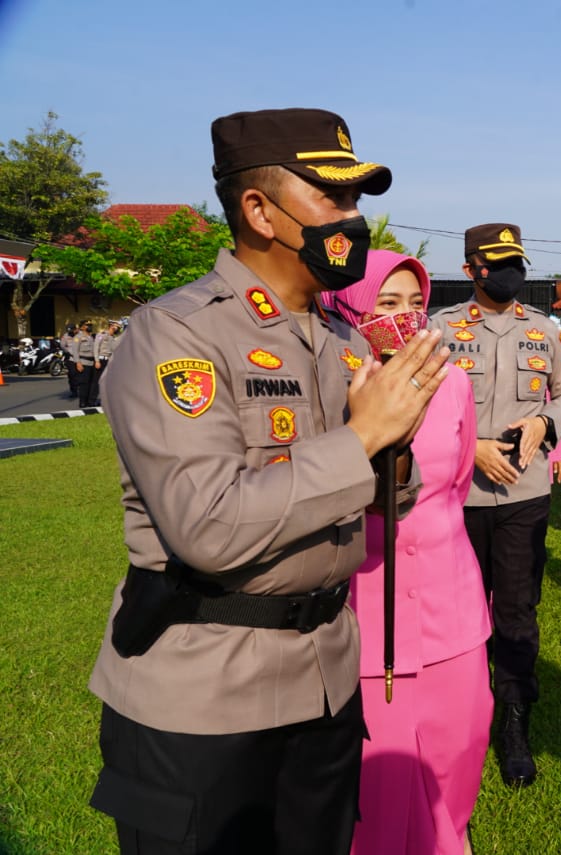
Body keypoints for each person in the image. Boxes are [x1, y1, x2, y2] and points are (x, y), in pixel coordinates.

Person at [86, 107, 452, 854]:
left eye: (357, 203)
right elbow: (207, 523)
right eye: (334, 199)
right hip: (204, 699)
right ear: (259, 210)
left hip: (325, 684)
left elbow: (383, 497)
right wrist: (363, 438)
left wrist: (396, 446)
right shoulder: (178, 333)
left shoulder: (343, 338)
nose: (355, 223)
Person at [321, 251, 492, 854]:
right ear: (347, 308)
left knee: (459, 751)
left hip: (453, 605)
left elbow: (460, 477)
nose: (406, 319)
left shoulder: (451, 383)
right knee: (379, 782)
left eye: (415, 305)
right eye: (386, 305)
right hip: (366, 612)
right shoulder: (326, 389)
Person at [429, 223, 561, 790]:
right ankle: (457, 714)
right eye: (498, 265)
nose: (511, 274)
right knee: (455, 613)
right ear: (472, 270)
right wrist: (473, 448)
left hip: (524, 494)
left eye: (517, 262)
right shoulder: (439, 328)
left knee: (515, 612)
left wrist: (546, 421)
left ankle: (515, 725)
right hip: (457, 492)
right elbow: (418, 405)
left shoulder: (544, 330)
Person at [89, 318, 122, 407]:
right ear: (112, 326)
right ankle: (92, 401)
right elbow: (96, 348)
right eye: (117, 327)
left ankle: (105, 400)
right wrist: (97, 360)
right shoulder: (102, 335)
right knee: (96, 381)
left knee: (107, 382)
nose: (118, 328)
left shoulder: (113, 337)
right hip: (101, 360)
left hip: (108, 361)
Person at [72, 320, 95, 407]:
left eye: (90, 325)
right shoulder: (78, 337)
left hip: (91, 362)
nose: (89, 326)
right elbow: (75, 351)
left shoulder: (91, 337)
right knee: (83, 383)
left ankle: (89, 401)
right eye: (87, 325)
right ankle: (82, 401)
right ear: (82, 327)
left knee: (91, 382)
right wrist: (78, 363)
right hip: (83, 362)